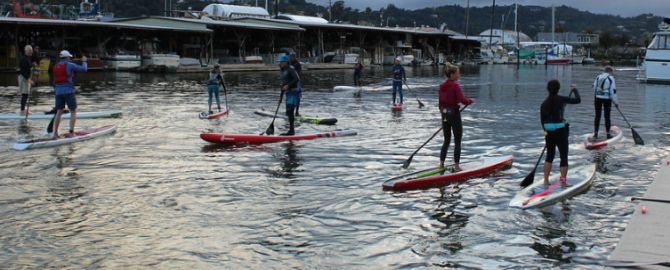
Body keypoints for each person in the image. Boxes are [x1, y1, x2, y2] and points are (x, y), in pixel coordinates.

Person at [540, 80, 581, 188]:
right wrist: (574, 89)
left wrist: (546, 134)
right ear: (558, 89)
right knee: (563, 156)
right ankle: (563, 183)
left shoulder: (544, 103)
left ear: (548, 89)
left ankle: (545, 181)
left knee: (549, 156)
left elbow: (542, 122)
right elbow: (578, 100)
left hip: (548, 131)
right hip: (560, 131)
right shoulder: (561, 99)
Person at [438, 64, 474, 172]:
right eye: (458, 73)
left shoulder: (441, 86)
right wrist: (469, 101)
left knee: (446, 140)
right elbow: (461, 100)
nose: (459, 75)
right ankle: (457, 166)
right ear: (452, 74)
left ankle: (441, 164)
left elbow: (440, 103)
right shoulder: (455, 86)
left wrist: (444, 114)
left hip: (444, 114)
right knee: (457, 141)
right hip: (454, 114)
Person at [51, 50, 87, 138]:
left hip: (58, 92)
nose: (69, 58)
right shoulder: (69, 65)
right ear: (67, 57)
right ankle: (71, 132)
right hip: (68, 91)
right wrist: (84, 61)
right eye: (69, 57)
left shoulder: (55, 66)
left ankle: (55, 133)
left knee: (59, 112)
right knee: (73, 111)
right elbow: (84, 69)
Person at [592, 66, 618, 139]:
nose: (613, 74)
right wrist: (616, 102)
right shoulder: (611, 78)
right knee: (607, 116)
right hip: (607, 99)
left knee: (597, 116)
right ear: (609, 71)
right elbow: (613, 91)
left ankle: (596, 134)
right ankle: (608, 134)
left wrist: (595, 98)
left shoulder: (598, 77)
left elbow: (594, 87)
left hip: (597, 98)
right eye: (612, 72)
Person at [279, 55, 300, 136]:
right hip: (288, 93)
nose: (280, 63)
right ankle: (291, 130)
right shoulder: (283, 71)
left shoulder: (291, 69)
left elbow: (296, 79)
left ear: (286, 62)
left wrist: (288, 85)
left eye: (281, 62)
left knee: (290, 110)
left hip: (294, 93)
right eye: (280, 62)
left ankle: (292, 131)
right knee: (288, 112)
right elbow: (283, 84)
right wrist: (281, 97)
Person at [18, 45, 33, 115]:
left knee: (26, 94)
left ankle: (24, 109)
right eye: (29, 50)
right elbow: (23, 71)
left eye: (31, 50)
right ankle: (22, 111)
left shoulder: (28, 58)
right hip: (24, 78)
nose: (31, 51)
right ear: (26, 51)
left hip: (26, 78)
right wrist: (29, 79)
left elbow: (29, 69)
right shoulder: (24, 59)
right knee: (24, 94)